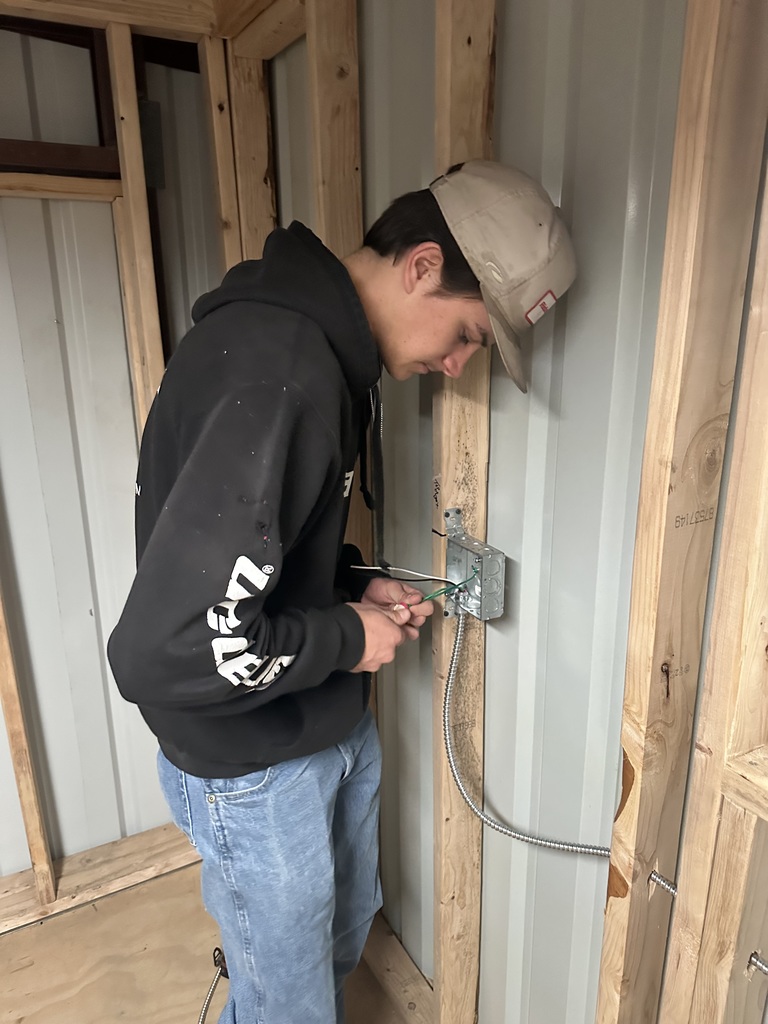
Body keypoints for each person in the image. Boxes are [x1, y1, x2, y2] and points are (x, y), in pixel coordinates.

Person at [107, 160, 576, 1024]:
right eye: (469, 333)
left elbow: (257, 556)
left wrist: (356, 588)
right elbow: (164, 649)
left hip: (313, 718)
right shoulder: (282, 378)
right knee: (285, 1007)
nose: (457, 364)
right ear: (423, 265)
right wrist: (349, 640)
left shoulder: (325, 361)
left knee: (333, 952)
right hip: (251, 757)